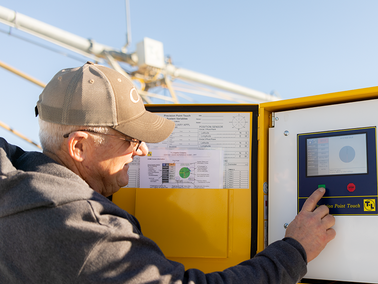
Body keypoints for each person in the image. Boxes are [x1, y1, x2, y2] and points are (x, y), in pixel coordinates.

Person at [0, 62, 335, 283]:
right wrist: (295, 249)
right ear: (79, 147)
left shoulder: (13, 178)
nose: (143, 151)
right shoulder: (87, 231)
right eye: (130, 139)